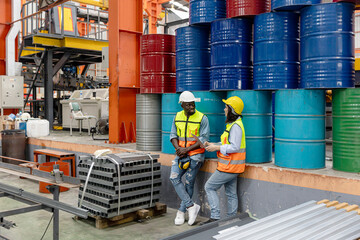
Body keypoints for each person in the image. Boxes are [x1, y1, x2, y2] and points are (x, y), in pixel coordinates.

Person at [201, 96, 246, 225]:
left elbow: (235, 147)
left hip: (229, 167)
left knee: (209, 187)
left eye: (226, 107)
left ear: (232, 109)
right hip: (233, 166)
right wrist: (213, 144)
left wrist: (217, 147)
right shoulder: (233, 124)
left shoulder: (236, 126)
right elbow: (227, 142)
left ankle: (215, 217)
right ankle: (231, 219)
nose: (224, 109)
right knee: (231, 193)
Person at [169, 91, 210, 226]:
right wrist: (178, 149)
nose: (192, 107)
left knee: (189, 183)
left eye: (193, 104)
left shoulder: (202, 118)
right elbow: (173, 135)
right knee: (174, 177)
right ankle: (191, 206)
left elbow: (203, 140)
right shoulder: (177, 116)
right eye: (188, 105)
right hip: (180, 154)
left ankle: (181, 211)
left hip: (195, 155)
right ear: (182, 105)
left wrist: (187, 150)